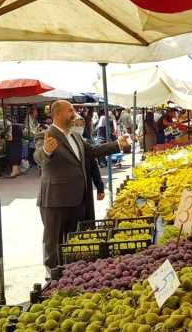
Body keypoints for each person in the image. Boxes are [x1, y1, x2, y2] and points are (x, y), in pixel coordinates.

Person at [34, 100, 131, 277]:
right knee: (52, 241)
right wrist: (46, 152)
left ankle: (71, 273)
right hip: (54, 199)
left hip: (77, 198)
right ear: (57, 114)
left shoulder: (76, 136)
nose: (74, 113)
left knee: (74, 240)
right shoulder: (46, 135)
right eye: (69, 110)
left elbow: (93, 151)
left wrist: (117, 144)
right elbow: (38, 156)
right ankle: (52, 275)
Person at [72, 117, 105, 221]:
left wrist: (100, 188)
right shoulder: (67, 143)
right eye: (76, 125)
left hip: (86, 187)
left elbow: (94, 168)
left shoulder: (86, 143)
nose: (79, 128)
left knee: (87, 218)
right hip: (71, 191)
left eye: (81, 125)